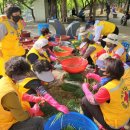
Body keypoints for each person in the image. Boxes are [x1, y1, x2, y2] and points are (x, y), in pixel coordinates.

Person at [81, 57, 130, 130]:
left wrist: (85, 88)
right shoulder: (119, 80)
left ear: (107, 73)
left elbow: (92, 100)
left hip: (114, 123)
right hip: (124, 116)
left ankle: (89, 125)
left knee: (85, 100)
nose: (99, 67)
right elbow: (106, 80)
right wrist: (94, 76)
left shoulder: (106, 89)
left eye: (103, 67)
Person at [0, 57, 45, 130]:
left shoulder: (6, 80)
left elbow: (19, 94)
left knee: (28, 103)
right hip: (4, 126)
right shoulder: (9, 93)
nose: (26, 76)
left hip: (6, 117)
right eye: (24, 74)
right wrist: (32, 111)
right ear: (16, 74)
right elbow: (21, 117)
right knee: (38, 121)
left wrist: (34, 98)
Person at [0, 6, 25, 77]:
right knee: (8, 74)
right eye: (16, 15)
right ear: (10, 15)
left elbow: (18, 34)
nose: (18, 16)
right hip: (7, 55)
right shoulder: (3, 26)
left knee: (17, 73)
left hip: (17, 52)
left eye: (19, 14)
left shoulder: (18, 23)